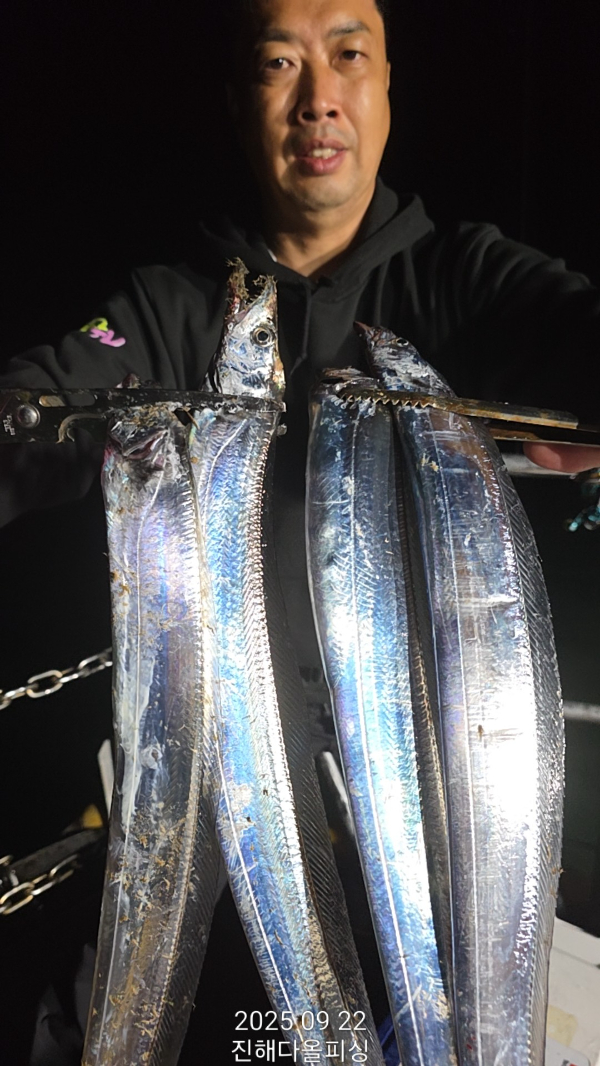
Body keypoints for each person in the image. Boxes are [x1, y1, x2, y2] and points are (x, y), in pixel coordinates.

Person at [2, 0, 600, 1060]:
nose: (319, 96)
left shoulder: (466, 283)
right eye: (280, 62)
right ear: (241, 102)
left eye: (349, 54)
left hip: (439, 830)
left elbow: (574, 334)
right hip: (222, 818)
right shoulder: (173, 310)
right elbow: (43, 404)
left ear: (386, 87)